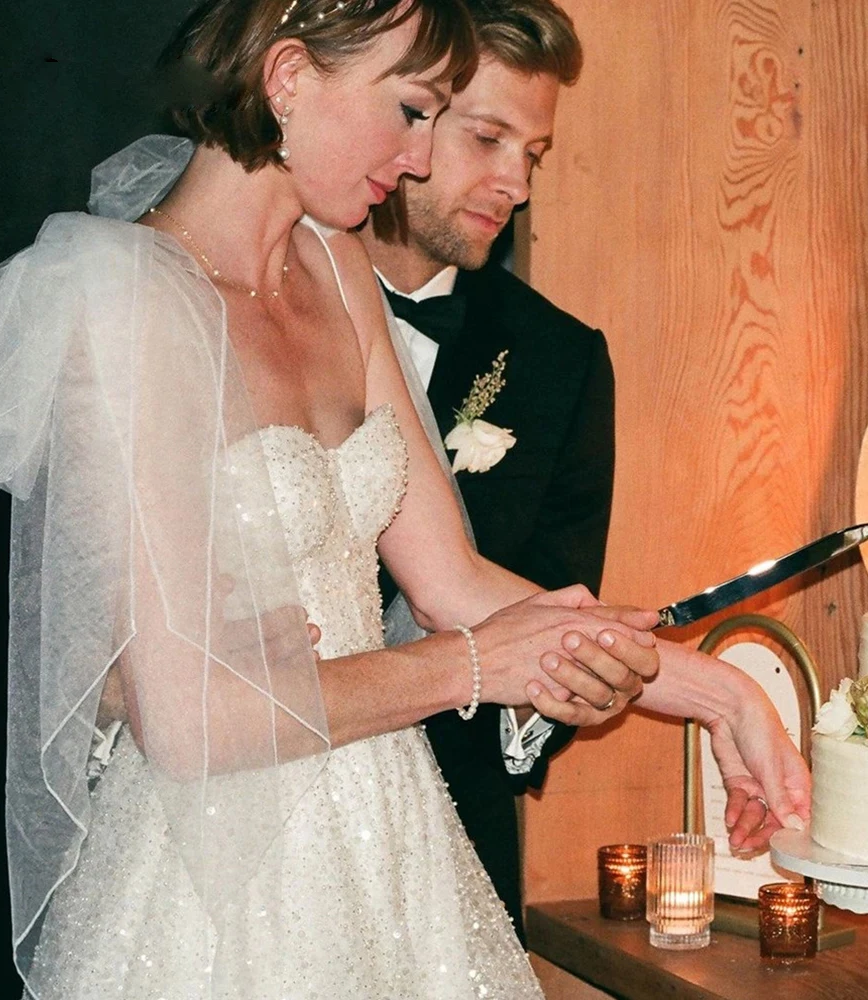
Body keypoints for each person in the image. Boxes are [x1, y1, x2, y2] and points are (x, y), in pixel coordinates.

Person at [0, 1, 808, 997]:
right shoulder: (120, 301)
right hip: (211, 884)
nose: (418, 160)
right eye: (411, 111)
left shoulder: (338, 269)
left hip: (392, 839)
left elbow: (455, 582)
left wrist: (721, 694)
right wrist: (459, 667)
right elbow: (188, 724)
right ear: (287, 78)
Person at [361, 0, 609, 940]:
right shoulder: (263, 312)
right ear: (406, 114)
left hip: (448, 859)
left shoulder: (560, 363)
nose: (517, 183)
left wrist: (571, 689)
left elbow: (557, 596)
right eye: (489, 137)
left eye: (533, 154)